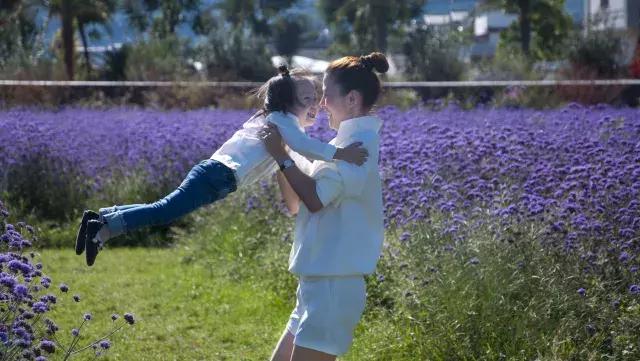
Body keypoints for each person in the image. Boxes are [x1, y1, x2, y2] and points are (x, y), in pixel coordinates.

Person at [74, 66, 368, 267]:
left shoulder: (273, 122)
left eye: (315, 99)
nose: (315, 105)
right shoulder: (284, 122)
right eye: (307, 100)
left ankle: (100, 220)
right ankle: (104, 229)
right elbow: (307, 149)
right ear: (287, 103)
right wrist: (342, 154)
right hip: (218, 176)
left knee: (162, 206)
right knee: (164, 211)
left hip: (215, 174)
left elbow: (296, 157)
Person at [261, 52, 388, 361]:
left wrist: (283, 156)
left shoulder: (357, 149)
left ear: (352, 99)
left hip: (334, 285)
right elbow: (296, 204)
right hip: (316, 283)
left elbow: (315, 201)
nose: (321, 104)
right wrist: (283, 153)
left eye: (327, 95)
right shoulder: (339, 149)